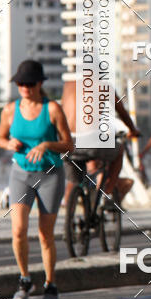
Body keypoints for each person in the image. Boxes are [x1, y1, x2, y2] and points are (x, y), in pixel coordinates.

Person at [0, 59, 73, 299]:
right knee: (18, 230)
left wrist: (47, 144)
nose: (25, 88)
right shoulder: (9, 110)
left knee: (44, 233)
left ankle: (50, 284)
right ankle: (25, 279)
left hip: (50, 175)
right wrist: (8, 143)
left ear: (40, 84)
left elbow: (69, 144)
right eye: (20, 84)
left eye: (29, 83)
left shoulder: (52, 109)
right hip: (21, 174)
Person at [60, 81, 140, 210]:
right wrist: (133, 130)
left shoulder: (68, 85)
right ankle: (105, 196)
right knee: (119, 149)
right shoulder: (103, 86)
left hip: (68, 144)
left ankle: (71, 213)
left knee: (74, 180)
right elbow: (122, 112)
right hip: (91, 143)